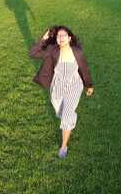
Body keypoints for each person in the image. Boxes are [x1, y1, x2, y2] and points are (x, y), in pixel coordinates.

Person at [29, 25, 94, 158]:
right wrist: (44, 39)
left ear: (70, 38)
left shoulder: (77, 52)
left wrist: (89, 85)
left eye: (64, 35)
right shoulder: (53, 50)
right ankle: (67, 116)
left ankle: (64, 146)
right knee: (60, 112)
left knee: (67, 115)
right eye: (58, 36)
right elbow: (33, 53)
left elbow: (84, 70)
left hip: (74, 85)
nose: (61, 38)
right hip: (57, 85)